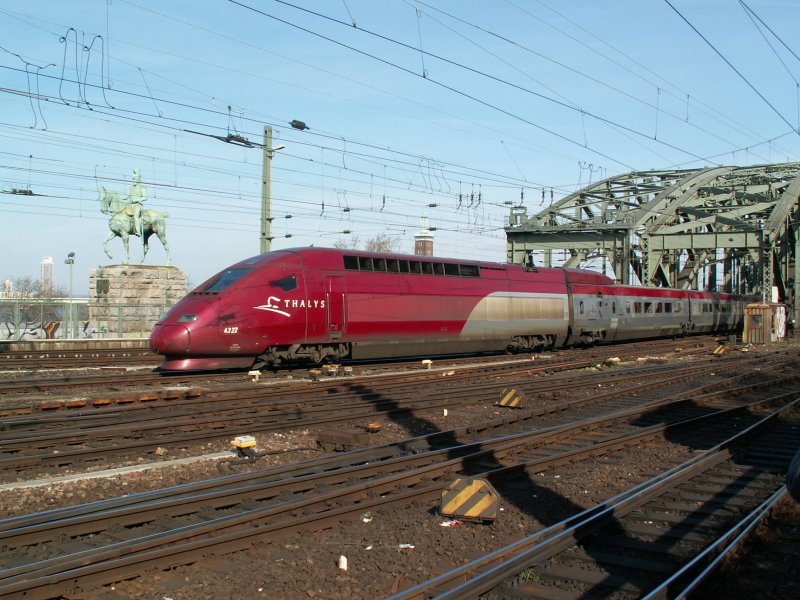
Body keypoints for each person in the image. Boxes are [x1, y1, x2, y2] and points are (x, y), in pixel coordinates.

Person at [125, 168, 147, 236]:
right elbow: (126, 197)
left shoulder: (142, 187)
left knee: (136, 216)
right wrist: (117, 197)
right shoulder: (130, 188)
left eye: (134, 178)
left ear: (138, 179)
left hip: (138, 205)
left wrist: (137, 199)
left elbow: (145, 197)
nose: (133, 179)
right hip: (130, 205)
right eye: (133, 178)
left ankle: (138, 231)